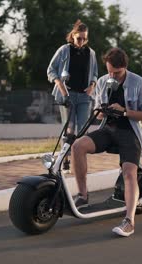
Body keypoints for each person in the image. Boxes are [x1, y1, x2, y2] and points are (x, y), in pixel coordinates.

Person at [71, 48, 142, 237]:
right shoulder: (102, 81)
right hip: (108, 130)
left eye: (116, 73)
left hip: (130, 132)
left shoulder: (140, 83)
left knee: (128, 172)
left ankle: (129, 221)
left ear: (125, 67)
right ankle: (83, 196)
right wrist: (103, 109)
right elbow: (99, 114)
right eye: (109, 71)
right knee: (77, 146)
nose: (112, 76)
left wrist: (124, 111)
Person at [47, 19, 98, 173]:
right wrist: (60, 86)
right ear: (73, 36)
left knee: (82, 131)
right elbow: (51, 70)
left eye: (84, 38)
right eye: (78, 38)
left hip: (84, 97)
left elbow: (95, 73)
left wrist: (92, 86)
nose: (81, 41)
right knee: (69, 129)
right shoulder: (64, 50)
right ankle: (66, 159)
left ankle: (79, 162)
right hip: (67, 95)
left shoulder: (91, 53)